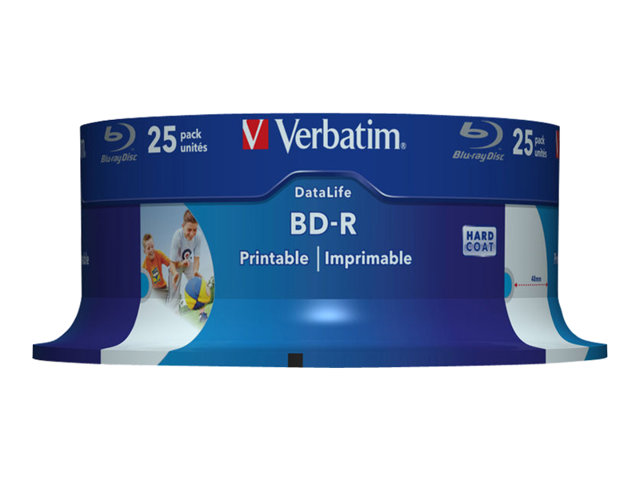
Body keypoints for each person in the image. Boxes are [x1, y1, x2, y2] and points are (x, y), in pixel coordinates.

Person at [168, 210, 204, 307]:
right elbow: (172, 263)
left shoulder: (198, 236)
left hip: (187, 263)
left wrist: (195, 271)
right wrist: (175, 273)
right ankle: (172, 312)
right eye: (189, 230)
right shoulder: (177, 236)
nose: (192, 234)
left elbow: (196, 259)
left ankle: (202, 311)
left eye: (195, 230)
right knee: (174, 296)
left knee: (198, 285)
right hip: (176, 266)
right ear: (183, 226)